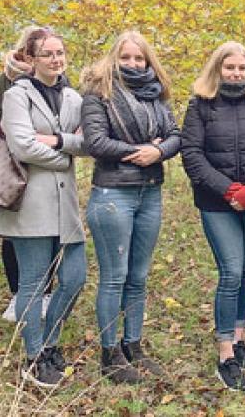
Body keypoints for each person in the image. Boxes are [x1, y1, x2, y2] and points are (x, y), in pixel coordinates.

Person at [81, 31, 181, 384]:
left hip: (150, 193)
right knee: (114, 276)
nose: (134, 64)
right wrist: (141, 150)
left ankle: (132, 344)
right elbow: (95, 141)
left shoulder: (156, 94)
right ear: (114, 58)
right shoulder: (98, 95)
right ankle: (110, 355)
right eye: (126, 58)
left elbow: (175, 135)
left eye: (139, 58)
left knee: (138, 276)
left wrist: (160, 150)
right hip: (113, 195)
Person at [181, 41, 245, 391]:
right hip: (216, 201)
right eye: (230, 68)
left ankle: (238, 337)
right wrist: (227, 189)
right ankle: (224, 352)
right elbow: (191, 154)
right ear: (217, 69)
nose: (236, 73)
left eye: (242, 68)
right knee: (232, 270)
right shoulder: (200, 106)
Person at [0, 28, 86, 388]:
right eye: (47, 54)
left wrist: (61, 140)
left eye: (60, 52)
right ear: (31, 60)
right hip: (30, 202)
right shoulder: (18, 96)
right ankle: (35, 356)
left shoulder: (74, 97)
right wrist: (64, 157)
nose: (56, 59)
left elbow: (88, 140)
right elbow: (22, 146)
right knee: (32, 282)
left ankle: (51, 339)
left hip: (66, 205)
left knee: (75, 278)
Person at [0, 25, 54, 323]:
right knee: (14, 232)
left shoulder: (56, 79)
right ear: (27, 52)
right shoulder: (7, 80)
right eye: (40, 50)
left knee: (51, 230)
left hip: (49, 163)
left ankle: (46, 292)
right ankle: (19, 293)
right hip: (11, 165)